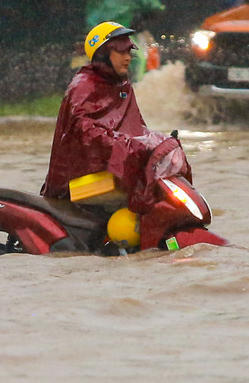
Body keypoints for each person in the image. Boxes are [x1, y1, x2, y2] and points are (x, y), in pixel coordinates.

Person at [42, 22, 188, 250]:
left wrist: (155, 142)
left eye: (128, 51)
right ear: (103, 54)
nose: (127, 58)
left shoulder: (122, 85)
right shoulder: (83, 86)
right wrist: (125, 146)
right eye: (120, 52)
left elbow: (136, 129)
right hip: (78, 183)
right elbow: (85, 132)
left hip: (110, 176)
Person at [83, 0, 165, 83]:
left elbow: (90, 14)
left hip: (94, 36)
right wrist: (145, 13)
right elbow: (156, 7)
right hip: (117, 35)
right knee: (139, 59)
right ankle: (136, 90)